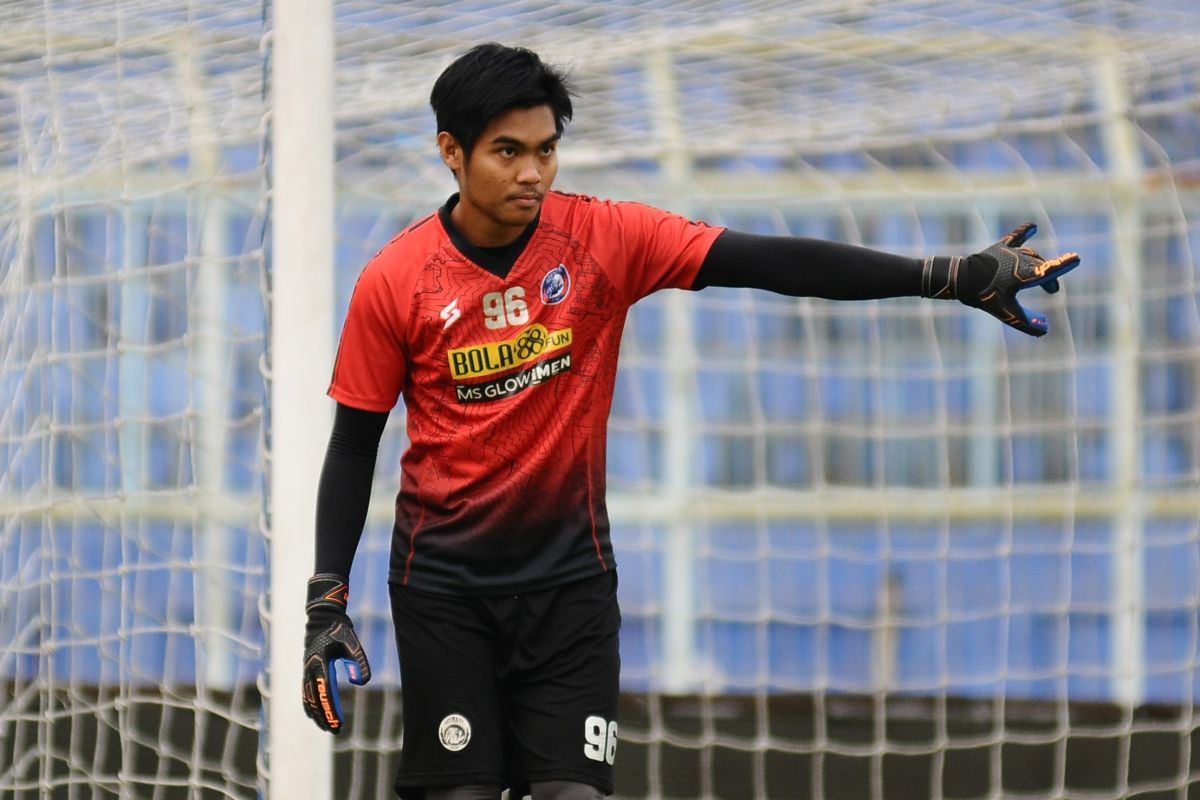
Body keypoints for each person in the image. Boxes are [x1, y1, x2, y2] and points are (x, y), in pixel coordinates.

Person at [299, 43, 1080, 800]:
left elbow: (768, 262)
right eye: (508, 152)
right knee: (463, 792)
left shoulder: (603, 238)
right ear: (451, 151)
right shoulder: (395, 280)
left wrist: (946, 276)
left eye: (546, 150)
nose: (532, 172)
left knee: (573, 791)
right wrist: (327, 600)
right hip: (444, 592)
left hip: (570, 587)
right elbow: (353, 448)